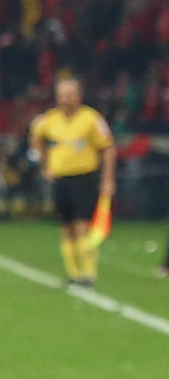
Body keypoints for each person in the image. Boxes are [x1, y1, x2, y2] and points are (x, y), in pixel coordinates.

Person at [28, 76, 114, 288]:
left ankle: (89, 272)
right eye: (61, 95)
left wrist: (108, 179)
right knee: (65, 226)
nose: (64, 99)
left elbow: (108, 148)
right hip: (60, 178)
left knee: (82, 224)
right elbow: (35, 136)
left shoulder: (91, 118)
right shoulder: (49, 119)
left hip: (84, 177)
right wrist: (44, 163)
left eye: (69, 94)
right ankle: (73, 273)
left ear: (79, 96)